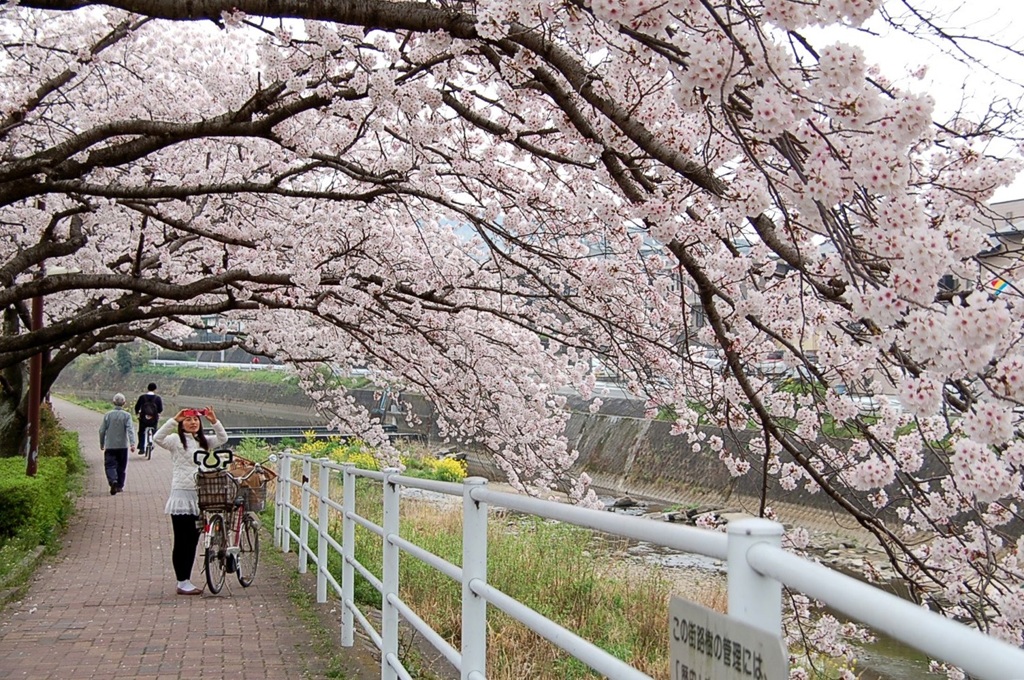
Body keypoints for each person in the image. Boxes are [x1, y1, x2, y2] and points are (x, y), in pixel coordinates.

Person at [153, 406, 227, 596]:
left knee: (193, 540)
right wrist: (174, 419)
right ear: (182, 424)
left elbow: (222, 439)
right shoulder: (175, 440)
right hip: (181, 496)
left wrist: (214, 420)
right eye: (188, 420)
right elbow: (157, 438)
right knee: (182, 540)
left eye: (195, 420)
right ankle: (182, 581)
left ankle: (185, 580)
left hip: (200, 496)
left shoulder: (203, 441)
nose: (193, 423)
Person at [98, 393, 136, 495]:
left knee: (110, 465)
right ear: (124, 403)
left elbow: (102, 430)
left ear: (113, 402)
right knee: (121, 467)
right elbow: (130, 430)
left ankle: (113, 480)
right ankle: (119, 486)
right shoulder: (127, 416)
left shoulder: (108, 415)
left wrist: (102, 443)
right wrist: (132, 443)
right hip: (123, 446)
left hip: (110, 445)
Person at [134, 383, 163, 455]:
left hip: (143, 418)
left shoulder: (142, 397)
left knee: (141, 431)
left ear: (147, 388)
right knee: (154, 431)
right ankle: (152, 443)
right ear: (155, 389)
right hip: (153, 419)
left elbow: (137, 407)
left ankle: (141, 448)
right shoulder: (158, 398)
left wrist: (137, 413)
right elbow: (160, 409)